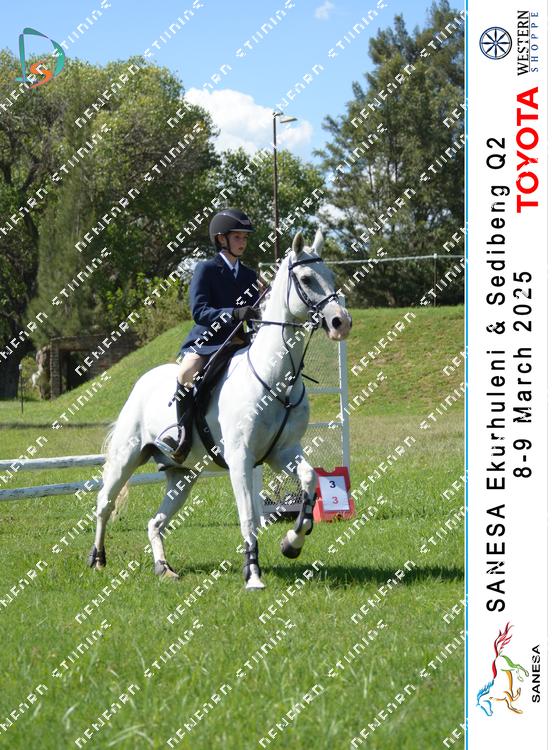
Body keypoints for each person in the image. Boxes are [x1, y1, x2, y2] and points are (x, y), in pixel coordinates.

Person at [163, 208, 261, 463]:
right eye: (237, 237)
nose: (242, 242)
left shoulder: (249, 275)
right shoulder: (205, 269)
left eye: (245, 238)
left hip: (239, 342)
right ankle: (183, 434)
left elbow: (256, 312)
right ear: (221, 239)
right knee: (186, 373)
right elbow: (199, 311)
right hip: (208, 342)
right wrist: (233, 313)